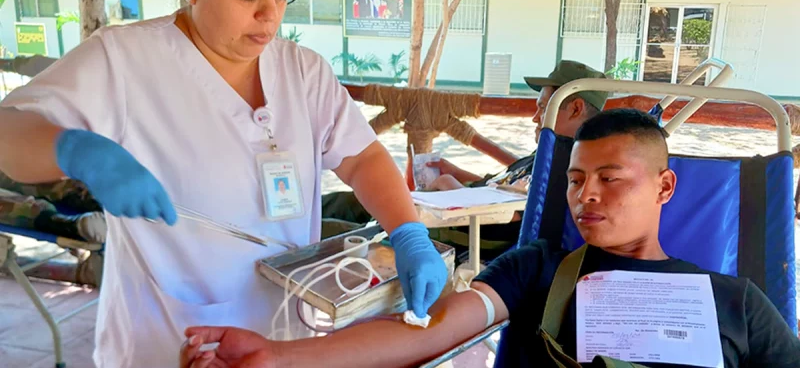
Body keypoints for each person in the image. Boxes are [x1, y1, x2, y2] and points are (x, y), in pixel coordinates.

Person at [0, 0, 446, 366]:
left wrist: (408, 231)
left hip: (288, 341)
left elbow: (362, 157)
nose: (269, 15)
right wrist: (76, 149)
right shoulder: (124, 61)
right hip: (168, 340)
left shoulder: (302, 71)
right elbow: (9, 131)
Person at [180, 108, 800, 368]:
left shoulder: (734, 301)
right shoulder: (539, 268)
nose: (585, 196)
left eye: (610, 180)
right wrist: (277, 356)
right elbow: (428, 328)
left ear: (664, 188)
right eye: (576, 179)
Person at [322, 60, 609, 261]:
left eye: (544, 109)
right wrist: (453, 171)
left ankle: (296, 230)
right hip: (451, 208)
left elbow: (512, 214)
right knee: (351, 200)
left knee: (339, 230)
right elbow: (500, 187)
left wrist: (451, 188)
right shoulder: (543, 154)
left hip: (463, 231)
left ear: (574, 108)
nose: (535, 118)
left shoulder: (569, 166)